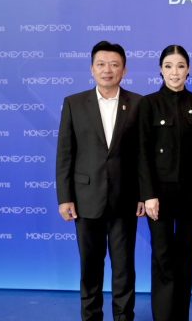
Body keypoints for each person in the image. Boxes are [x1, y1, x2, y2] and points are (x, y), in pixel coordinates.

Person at [56, 40, 145, 321]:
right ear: (92, 69)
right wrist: (65, 198)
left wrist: (142, 194)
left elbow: (142, 155)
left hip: (125, 199)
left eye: (114, 64)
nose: (108, 70)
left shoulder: (138, 104)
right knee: (90, 268)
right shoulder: (74, 103)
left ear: (124, 70)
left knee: (124, 269)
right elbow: (65, 153)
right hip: (85, 200)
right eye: (101, 64)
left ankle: (123, 317)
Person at [138, 45, 192, 321]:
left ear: (188, 69)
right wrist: (148, 194)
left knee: (186, 257)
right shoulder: (149, 103)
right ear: (160, 69)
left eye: (180, 66)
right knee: (163, 257)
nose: (174, 72)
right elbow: (143, 152)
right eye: (168, 66)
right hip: (160, 195)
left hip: (190, 194)